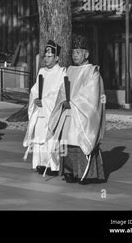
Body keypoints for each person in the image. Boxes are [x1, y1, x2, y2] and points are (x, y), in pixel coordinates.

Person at [47, 35, 106, 185]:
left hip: (81, 114)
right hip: (68, 113)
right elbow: (62, 90)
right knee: (66, 142)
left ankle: (86, 174)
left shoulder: (93, 72)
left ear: (86, 54)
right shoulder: (70, 70)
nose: (74, 56)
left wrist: (72, 102)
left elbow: (91, 95)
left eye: (78, 53)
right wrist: (63, 102)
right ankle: (69, 171)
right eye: (73, 53)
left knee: (78, 141)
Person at [23, 40, 66, 175]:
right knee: (39, 137)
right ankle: (40, 163)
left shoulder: (62, 73)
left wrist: (46, 101)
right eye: (45, 56)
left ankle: (53, 165)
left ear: (57, 58)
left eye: (49, 56)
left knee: (51, 138)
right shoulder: (41, 71)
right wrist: (35, 99)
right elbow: (35, 90)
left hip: (52, 111)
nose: (46, 59)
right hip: (41, 110)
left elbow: (60, 94)